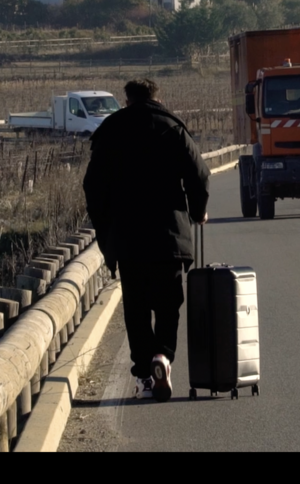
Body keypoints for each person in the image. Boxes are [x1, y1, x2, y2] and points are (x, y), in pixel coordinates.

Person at [83, 78, 210, 402]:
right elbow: (199, 174)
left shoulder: (110, 130)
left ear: (126, 100)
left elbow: (93, 187)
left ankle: (143, 375)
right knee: (169, 304)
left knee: (136, 308)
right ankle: (162, 358)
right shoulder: (172, 127)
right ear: (157, 97)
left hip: (127, 239)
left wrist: (105, 229)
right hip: (168, 236)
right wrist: (198, 211)